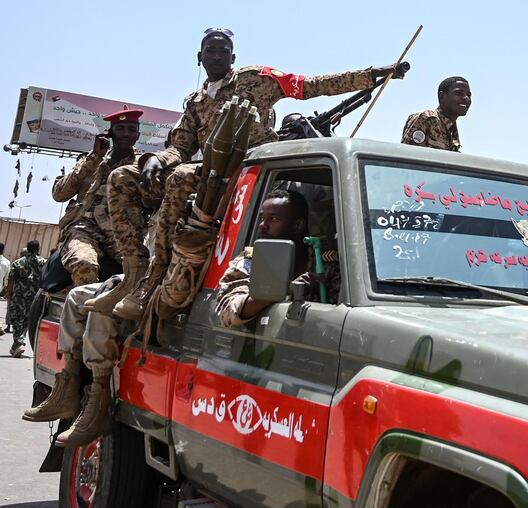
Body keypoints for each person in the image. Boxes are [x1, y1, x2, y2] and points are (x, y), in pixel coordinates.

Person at [89, 27, 404, 320]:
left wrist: (371, 75)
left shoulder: (256, 79)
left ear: (232, 57)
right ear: (200, 58)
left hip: (252, 169)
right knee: (122, 178)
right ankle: (134, 273)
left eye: (222, 51)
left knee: (182, 176)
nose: (216, 56)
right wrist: (156, 159)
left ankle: (156, 278)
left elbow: (312, 86)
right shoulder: (195, 103)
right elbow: (180, 148)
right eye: (210, 51)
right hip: (209, 171)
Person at [21, 276, 121, 447]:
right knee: (75, 296)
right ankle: (66, 389)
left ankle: (99, 403)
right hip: (140, 275)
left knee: (102, 302)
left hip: (163, 278)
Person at [216, 190, 338, 328]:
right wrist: (283, 290)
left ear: (298, 225)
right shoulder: (251, 260)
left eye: (274, 219)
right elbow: (226, 311)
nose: (263, 226)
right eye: (262, 218)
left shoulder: (324, 262)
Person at [53, 106, 142, 286]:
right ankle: (83, 311)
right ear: (109, 133)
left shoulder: (142, 166)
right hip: (83, 227)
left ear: (138, 136)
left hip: (121, 232)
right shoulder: (91, 160)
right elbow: (59, 194)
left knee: (142, 271)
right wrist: (93, 158)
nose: (125, 134)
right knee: (85, 264)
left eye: (131, 130)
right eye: (120, 129)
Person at [402, 76, 471, 152]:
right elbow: (407, 155)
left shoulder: (452, 129)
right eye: (458, 93)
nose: (466, 98)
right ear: (442, 97)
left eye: (469, 95)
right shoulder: (426, 119)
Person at [5, 241, 45, 356]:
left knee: (18, 320)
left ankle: (18, 343)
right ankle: (17, 344)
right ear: (38, 249)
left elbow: (11, 280)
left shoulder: (18, 262)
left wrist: (8, 293)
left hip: (19, 296)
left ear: (27, 249)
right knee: (28, 320)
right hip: (36, 297)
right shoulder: (44, 263)